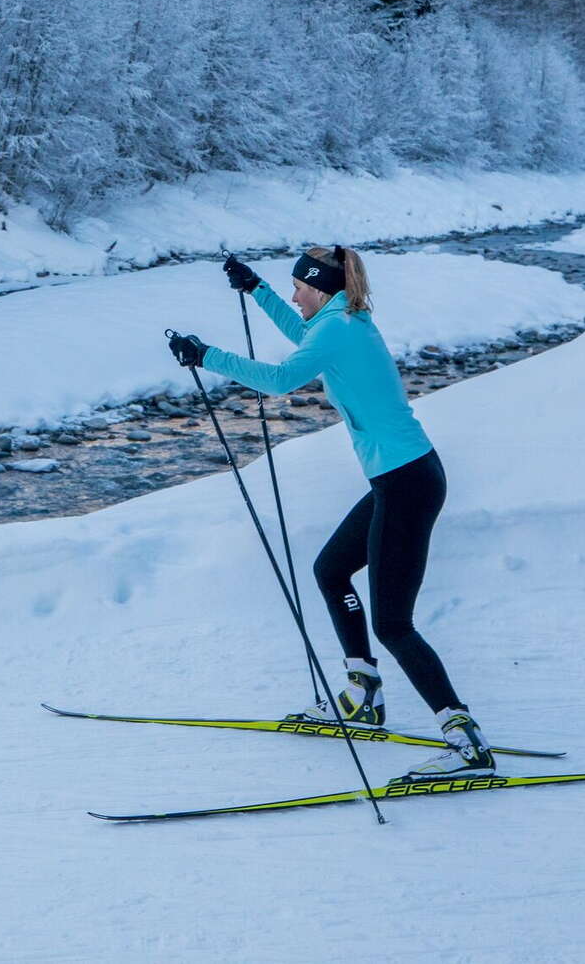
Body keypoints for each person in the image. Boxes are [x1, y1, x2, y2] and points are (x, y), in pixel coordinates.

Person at [168, 245, 491, 776]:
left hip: (407, 482)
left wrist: (207, 356)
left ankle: (466, 740)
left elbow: (278, 379)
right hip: (403, 478)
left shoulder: (338, 327)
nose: (294, 297)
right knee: (331, 569)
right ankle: (363, 694)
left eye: (298, 288)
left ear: (319, 287)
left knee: (395, 624)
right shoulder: (341, 320)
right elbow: (303, 340)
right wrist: (257, 291)